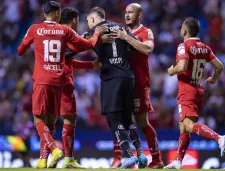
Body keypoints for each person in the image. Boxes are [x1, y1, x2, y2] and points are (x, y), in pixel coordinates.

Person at [17, 1, 106, 168]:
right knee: (54, 120)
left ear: (44, 13)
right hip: (59, 80)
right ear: (58, 14)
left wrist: (32, 46)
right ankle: (53, 156)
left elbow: (20, 51)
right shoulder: (65, 32)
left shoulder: (35, 29)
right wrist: (96, 35)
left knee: (41, 119)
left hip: (43, 79)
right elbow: (83, 47)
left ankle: (51, 153)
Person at [163, 17, 225, 169]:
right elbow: (219, 67)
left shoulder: (183, 46)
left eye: (181, 26)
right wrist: (213, 79)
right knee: (183, 127)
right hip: (198, 89)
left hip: (187, 90)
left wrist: (171, 70)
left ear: (185, 30)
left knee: (187, 125)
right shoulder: (205, 48)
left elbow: (182, 66)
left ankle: (219, 138)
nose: (180, 29)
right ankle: (178, 161)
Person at [83, 7, 147, 168]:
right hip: (128, 77)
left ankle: (127, 155)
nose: (88, 24)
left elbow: (74, 46)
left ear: (92, 19)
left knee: (113, 117)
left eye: (87, 21)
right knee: (127, 118)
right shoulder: (121, 28)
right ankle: (140, 154)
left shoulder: (93, 32)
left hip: (112, 77)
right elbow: (137, 46)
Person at [110, 3, 164, 168]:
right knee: (117, 118)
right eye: (126, 12)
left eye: (131, 12)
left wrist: (126, 38)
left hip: (139, 83)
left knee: (142, 122)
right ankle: (120, 158)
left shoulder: (144, 32)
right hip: (121, 83)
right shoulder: (120, 31)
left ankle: (157, 159)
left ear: (139, 15)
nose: (127, 15)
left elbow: (147, 49)